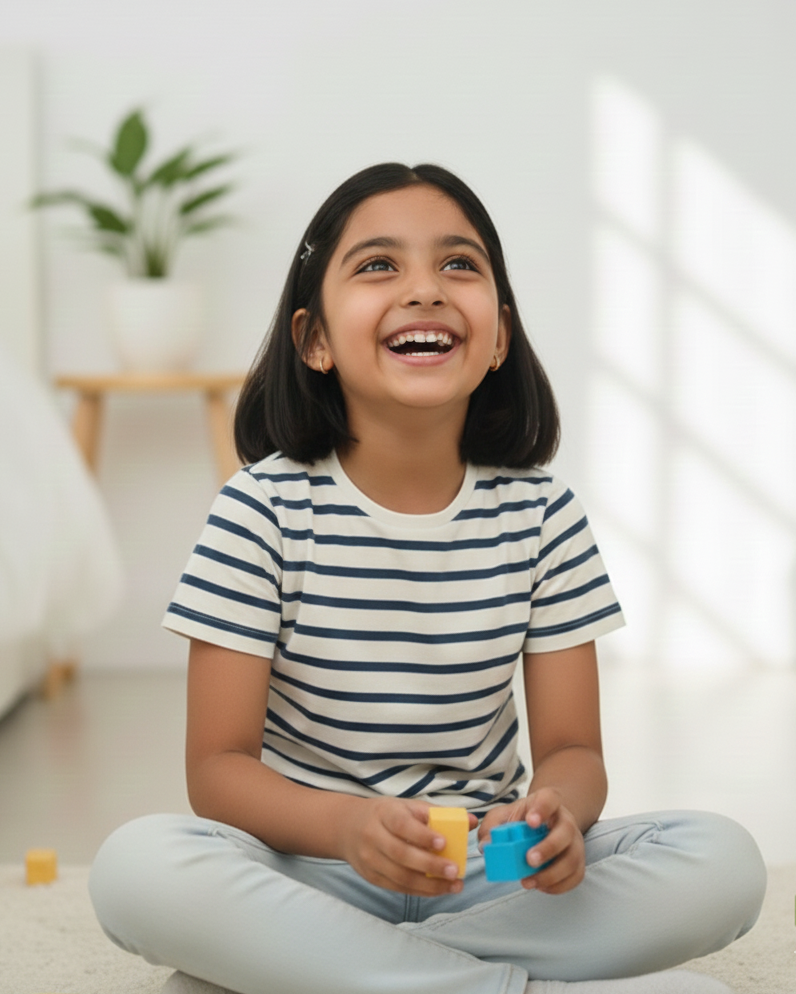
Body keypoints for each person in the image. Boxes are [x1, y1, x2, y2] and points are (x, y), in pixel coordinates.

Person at [89, 163, 766, 994]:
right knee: (137, 867)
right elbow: (218, 768)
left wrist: (554, 812)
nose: (425, 290)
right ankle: (492, 985)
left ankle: (342, 977)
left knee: (723, 861)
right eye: (378, 265)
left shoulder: (541, 514)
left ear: (500, 336)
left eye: (459, 265)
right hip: (311, 870)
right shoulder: (258, 508)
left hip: (489, 877)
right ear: (315, 340)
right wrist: (349, 828)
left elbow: (572, 750)